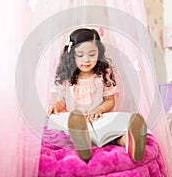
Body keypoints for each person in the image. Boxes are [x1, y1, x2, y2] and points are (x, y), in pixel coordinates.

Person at [47, 28, 147, 162]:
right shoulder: (67, 76)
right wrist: (55, 107)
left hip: (99, 118)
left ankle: (130, 142)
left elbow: (110, 101)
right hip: (77, 122)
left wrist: (98, 110)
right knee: (63, 122)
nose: (86, 60)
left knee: (112, 130)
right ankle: (83, 142)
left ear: (99, 53)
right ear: (72, 55)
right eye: (80, 55)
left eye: (92, 54)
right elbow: (62, 101)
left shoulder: (103, 74)